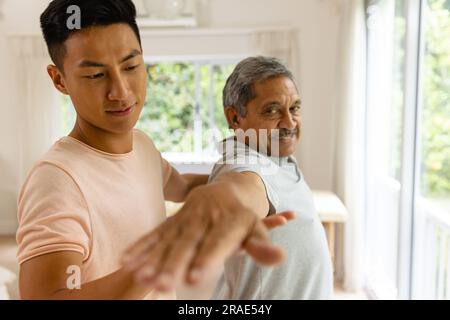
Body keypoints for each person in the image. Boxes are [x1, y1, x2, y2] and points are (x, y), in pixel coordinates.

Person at [16, 0, 293, 300]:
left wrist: (247, 178)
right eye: (96, 75)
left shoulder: (142, 144)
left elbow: (182, 185)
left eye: (131, 66)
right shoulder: (56, 180)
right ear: (59, 80)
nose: (120, 91)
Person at [208, 56, 333, 299]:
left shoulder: (274, 153)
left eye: (295, 108)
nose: (289, 122)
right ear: (235, 118)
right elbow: (243, 189)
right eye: (272, 110)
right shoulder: (246, 164)